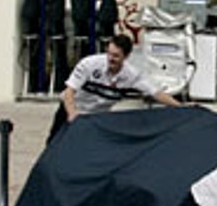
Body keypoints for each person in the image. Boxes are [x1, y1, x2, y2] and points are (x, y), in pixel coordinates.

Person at [51, 33, 183, 139]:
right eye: (109, 53)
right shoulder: (88, 64)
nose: (110, 59)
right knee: (55, 143)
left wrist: (180, 107)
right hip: (72, 110)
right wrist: (72, 115)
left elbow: (156, 93)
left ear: (126, 56)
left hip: (98, 116)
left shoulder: (131, 75)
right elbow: (69, 92)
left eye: (116, 56)